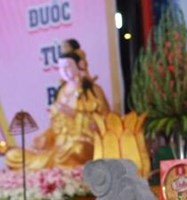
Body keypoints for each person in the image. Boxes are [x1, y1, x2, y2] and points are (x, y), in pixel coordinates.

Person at [4, 39, 111, 170]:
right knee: (12, 156)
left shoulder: (93, 91)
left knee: (77, 149)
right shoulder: (61, 92)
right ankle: (48, 164)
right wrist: (46, 137)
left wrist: (75, 115)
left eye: (67, 67)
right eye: (60, 68)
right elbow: (56, 127)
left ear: (80, 65)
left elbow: (106, 124)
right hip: (58, 148)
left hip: (82, 144)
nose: (63, 71)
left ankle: (47, 164)